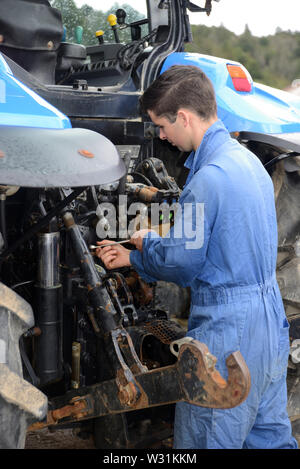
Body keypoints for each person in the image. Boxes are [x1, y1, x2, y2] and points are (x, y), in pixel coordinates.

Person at [95, 65, 298, 449]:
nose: (160, 135)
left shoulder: (208, 178)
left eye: (161, 125)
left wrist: (137, 253)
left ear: (184, 117)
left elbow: (181, 263)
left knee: (207, 437)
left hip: (228, 333)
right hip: (269, 326)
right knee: (268, 437)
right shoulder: (250, 162)